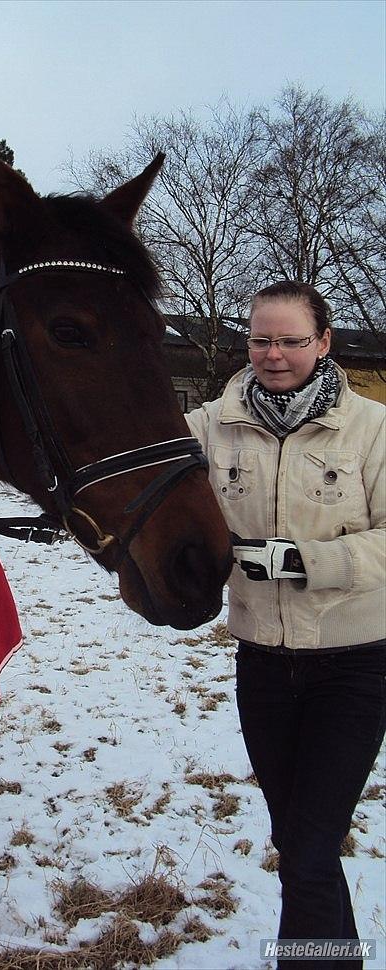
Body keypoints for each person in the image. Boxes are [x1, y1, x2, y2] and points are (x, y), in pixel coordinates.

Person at [185, 281, 385, 970]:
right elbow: (141, 475)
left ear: (324, 343)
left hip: (355, 663)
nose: (274, 355)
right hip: (263, 664)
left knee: (306, 849)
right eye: (261, 340)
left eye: (292, 341)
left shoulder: (372, 429)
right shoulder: (213, 425)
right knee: (304, 843)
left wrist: (304, 561)